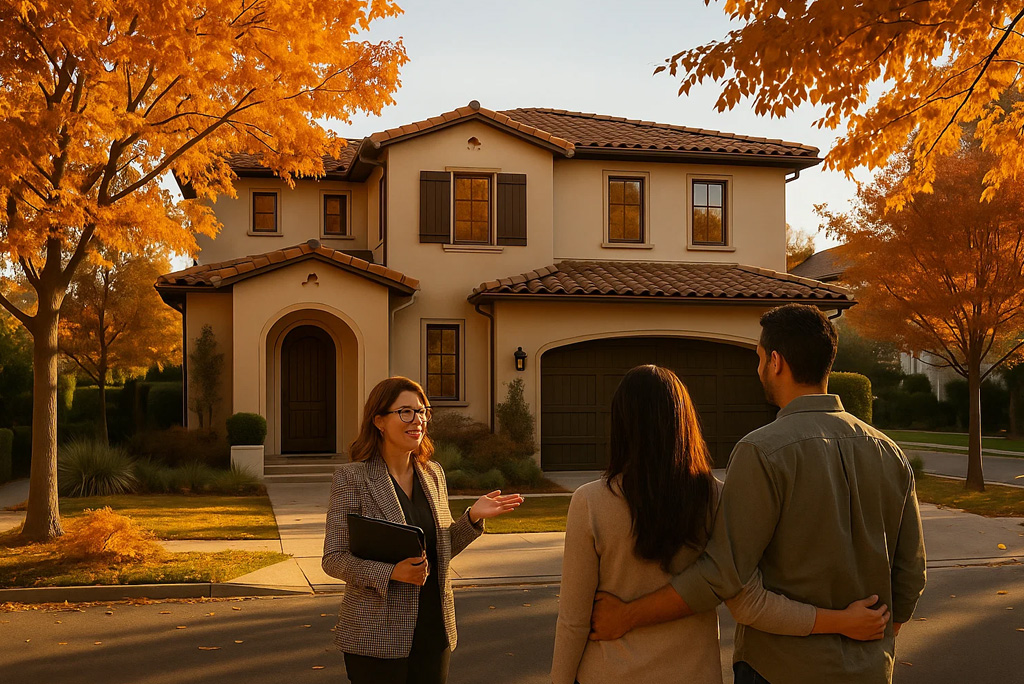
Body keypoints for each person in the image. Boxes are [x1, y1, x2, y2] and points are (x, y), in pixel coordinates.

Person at [589, 305, 927, 684]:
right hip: (870, 670)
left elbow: (722, 575)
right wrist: (871, 641)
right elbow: (911, 574)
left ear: (776, 362)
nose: (758, 368)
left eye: (759, 358)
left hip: (779, 668)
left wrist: (627, 615)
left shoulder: (762, 451)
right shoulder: (889, 452)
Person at [552, 365, 890, 684]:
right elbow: (749, 603)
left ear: (621, 423)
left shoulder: (591, 502)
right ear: (684, 422)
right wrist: (840, 621)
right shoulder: (716, 499)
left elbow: (573, 620)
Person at [322, 376, 524, 684]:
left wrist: (471, 519)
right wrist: (391, 572)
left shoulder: (433, 474)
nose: (418, 420)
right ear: (379, 420)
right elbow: (334, 558)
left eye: (422, 411)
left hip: (434, 630)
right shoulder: (353, 479)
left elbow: (438, 551)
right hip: (377, 636)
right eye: (405, 412)